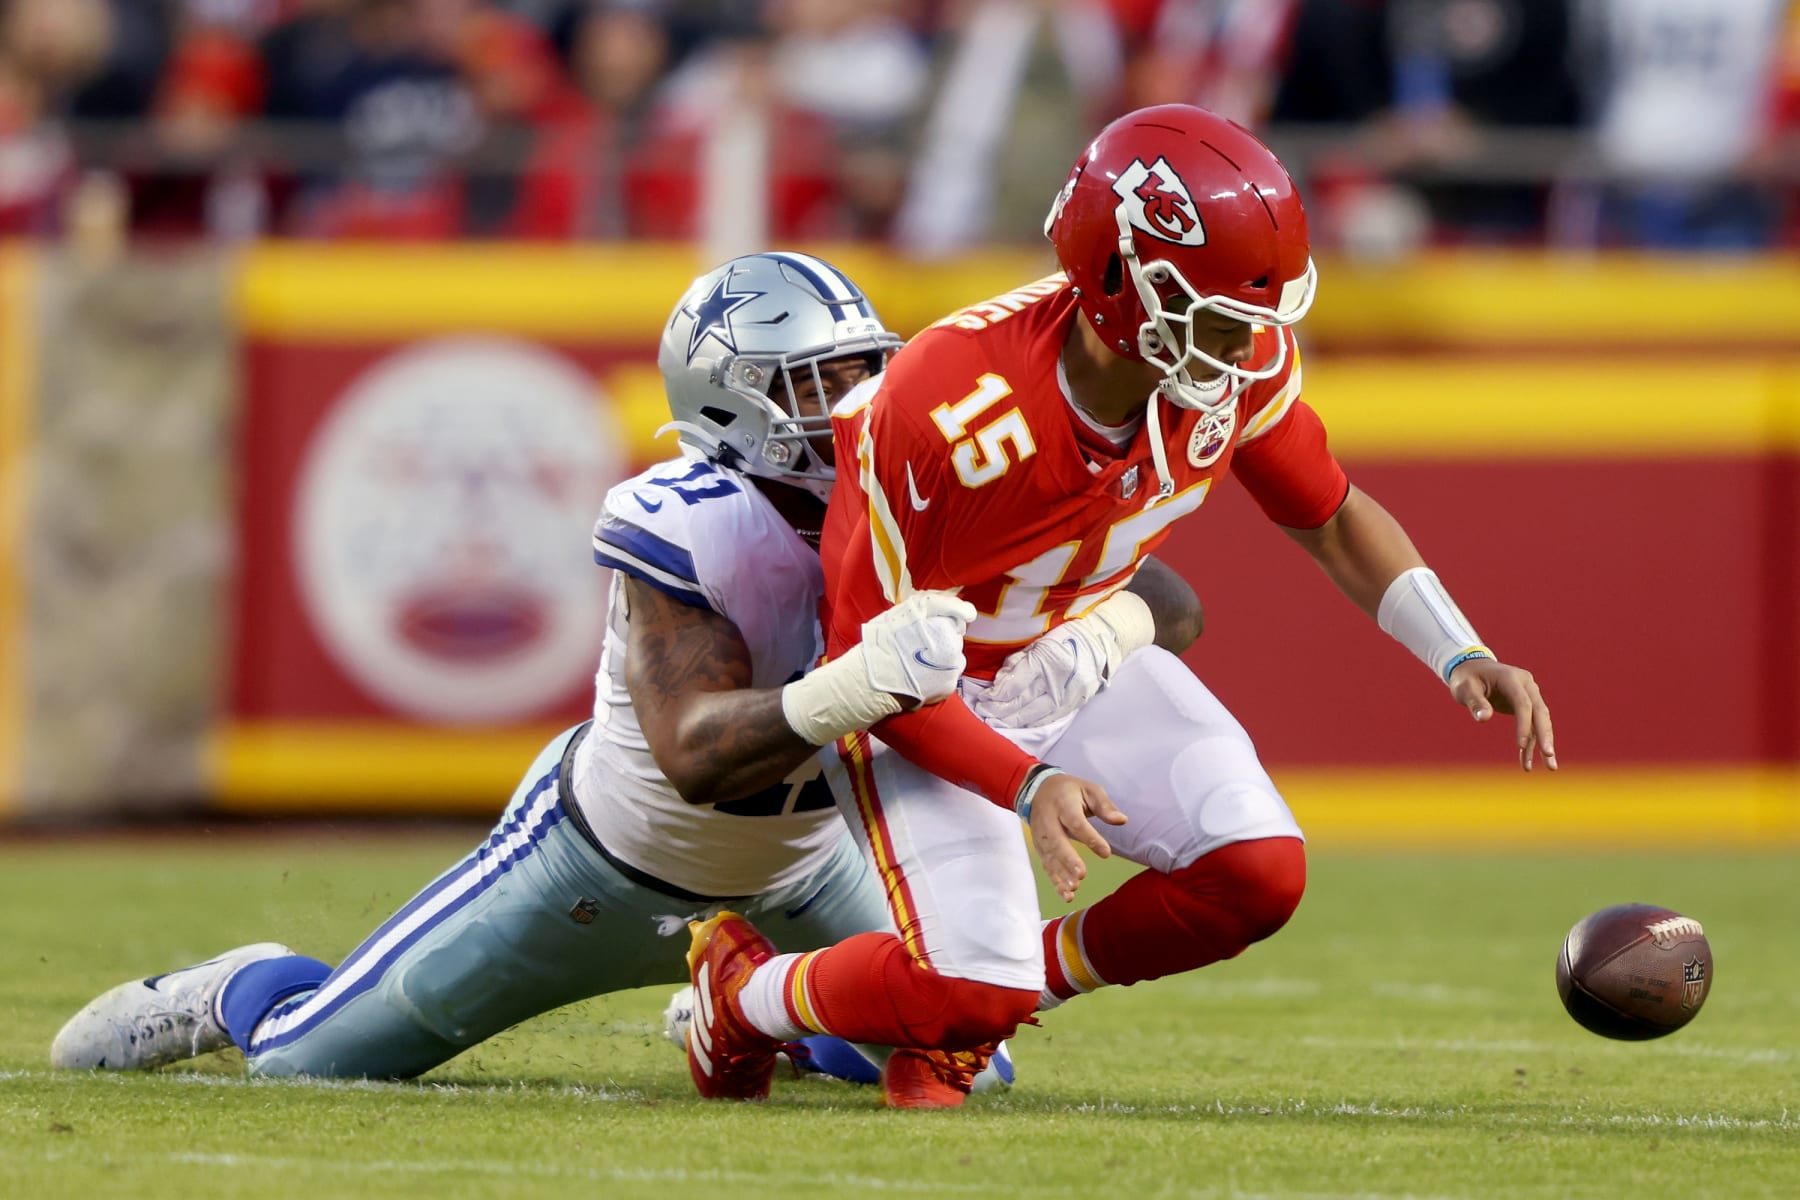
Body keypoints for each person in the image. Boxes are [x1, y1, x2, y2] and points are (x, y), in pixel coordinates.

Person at [48, 250, 1200, 1090]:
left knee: (970, 1064)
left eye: (866, 372)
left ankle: (740, 1008)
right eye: (816, 383)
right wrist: (863, 684)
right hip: (606, 863)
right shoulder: (690, 517)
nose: (856, 405)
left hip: (806, 867)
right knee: (309, 1066)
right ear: (730, 403)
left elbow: (1171, 598)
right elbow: (697, 756)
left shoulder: (933, 488)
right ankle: (239, 987)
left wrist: (1091, 635)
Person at [681, 104, 1558, 1110]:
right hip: (918, 702)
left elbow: (1331, 515)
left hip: (1068, 659)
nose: (1252, 344)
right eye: (1222, 315)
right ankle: (744, 996)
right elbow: (868, 673)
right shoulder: (948, 404)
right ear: (1116, 284)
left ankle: (975, 1007)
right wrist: (1025, 783)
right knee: (968, 981)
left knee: (1255, 875)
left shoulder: (1232, 368)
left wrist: (1458, 650)